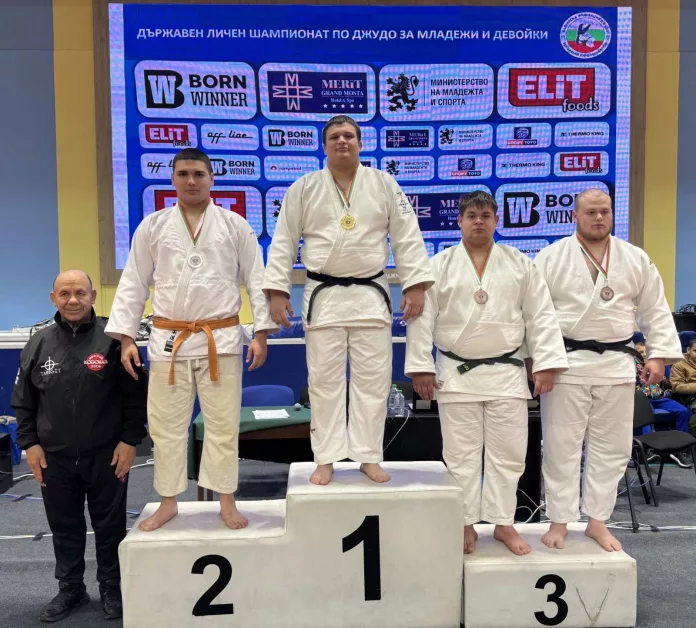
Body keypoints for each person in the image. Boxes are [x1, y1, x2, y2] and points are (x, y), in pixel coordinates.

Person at [105, 148, 276, 531]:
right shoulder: (152, 226)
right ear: (173, 179)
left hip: (222, 339)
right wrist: (126, 338)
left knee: (223, 425)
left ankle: (226, 500)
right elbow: (133, 282)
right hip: (170, 340)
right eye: (183, 174)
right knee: (166, 427)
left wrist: (261, 332)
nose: (191, 181)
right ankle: (168, 502)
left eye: (198, 173)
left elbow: (257, 278)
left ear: (211, 178)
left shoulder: (234, 225)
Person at [263, 115, 434, 485]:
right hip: (323, 297)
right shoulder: (304, 187)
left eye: (348, 136)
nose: (342, 141)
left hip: (370, 295)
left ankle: (369, 455)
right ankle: (325, 457)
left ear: (359, 143)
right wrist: (277, 291)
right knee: (323, 382)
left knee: (373, 382)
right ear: (324, 146)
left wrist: (415, 284)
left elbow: (406, 235)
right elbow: (283, 240)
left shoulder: (384, 184)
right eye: (335, 137)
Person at [405, 191, 567, 555]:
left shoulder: (519, 264)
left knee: (508, 454)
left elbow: (540, 316)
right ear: (459, 221)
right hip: (456, 372)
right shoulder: (438, 265)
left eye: (485, 215)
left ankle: (504, 523)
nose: (479, 221)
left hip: (507, 372)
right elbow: (421, 319)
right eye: (472, 215)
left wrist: (544, 363)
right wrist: (421, 366)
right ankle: (464, 523)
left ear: (496, 221)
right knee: (460, 455)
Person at [534, 189, 683, 552]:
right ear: (575, 216)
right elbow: (535, 315)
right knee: (561, 445)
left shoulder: (635, 258)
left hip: (616, 363)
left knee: (612, 447)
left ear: (612, 214)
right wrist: (541, 362)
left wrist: (657, 355)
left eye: (604, 211)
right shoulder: (551, 257)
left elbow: (655, 308)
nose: (599, 217)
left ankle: (597, 521)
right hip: (566, 363)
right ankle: (559, 520)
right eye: (591, 212)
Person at [12, 270, 147, 622]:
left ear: (93, 296)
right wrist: (30, 445)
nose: (73, 300)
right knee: (65, 526)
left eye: (80, 293)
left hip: (107, 454)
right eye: (65, 294)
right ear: (53, 298)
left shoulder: (115, 340)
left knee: (110, 526)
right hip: (53, 457)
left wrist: (130, 440)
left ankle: (112, 586)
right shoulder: (38, 343)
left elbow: (136, 397)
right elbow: (23, 402)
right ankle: (71, 588)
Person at [634, 341, 693, 467]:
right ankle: (648, 449)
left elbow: (668, 385)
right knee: (646, 414)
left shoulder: (657, 365)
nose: (644, 354)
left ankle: (679, 449)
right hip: (642, 399)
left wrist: (665, 392)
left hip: (660, 398)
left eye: (646, 352)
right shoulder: (632, 367)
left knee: (683, 411)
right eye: (640, 352)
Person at [670, 338, 696, 435]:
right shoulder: (679, 365)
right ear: (688, 350)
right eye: (695, 351)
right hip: (689, 396)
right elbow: (676, 387)